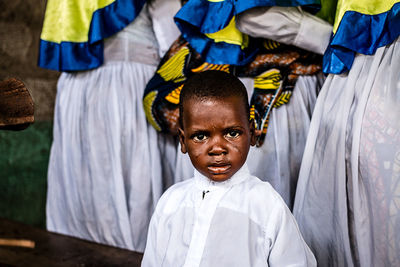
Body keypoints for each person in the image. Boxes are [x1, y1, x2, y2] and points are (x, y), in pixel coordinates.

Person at [40, 0, 181, 251]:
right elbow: (168, 31)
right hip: (130, 86)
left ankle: (80, 252)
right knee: (137, 174)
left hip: (78, 89)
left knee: (84, 177)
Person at [141, 70, 316, 266]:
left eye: (232, 133)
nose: (218, 149)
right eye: (200, 136)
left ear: (252, 133)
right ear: (183, 140)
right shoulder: (170, 203)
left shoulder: (267, 206)